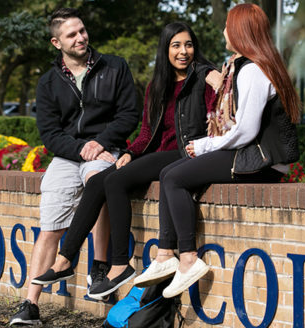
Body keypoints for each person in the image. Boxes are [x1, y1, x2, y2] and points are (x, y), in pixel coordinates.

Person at [31, 21, 217, 300]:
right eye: (175, 45)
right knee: (101, 182)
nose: (183, 51)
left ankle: (117, 264)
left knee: (114, 181)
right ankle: (66, 259)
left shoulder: (204, 77)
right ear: (165, 49)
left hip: (187, 151)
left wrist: (211, 73)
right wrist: (131, 152)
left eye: (188, 45)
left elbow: (218, 120)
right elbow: (146, 132)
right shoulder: (158, 86)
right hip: (159, 154)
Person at [133, 3, 302, 298]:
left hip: (261, 161)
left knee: (174, 178)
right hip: (254, 155)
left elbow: (246, 130)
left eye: (227, 25)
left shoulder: (253, 70)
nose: (223, 30)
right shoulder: (255, 65)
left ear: (239, 31)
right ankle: (164, 256)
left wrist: (205, 145)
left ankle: (187, 259)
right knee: (168, 171)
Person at [9, 8, 139, 326]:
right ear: (57, 42)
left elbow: (129, 114)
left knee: (102, 180)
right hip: (68, 156)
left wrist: (101, 143)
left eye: (82, 31)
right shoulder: (48, 82)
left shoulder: (115, 66)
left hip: (106, 150)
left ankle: (98, 270)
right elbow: (50, 133)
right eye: (72, 34)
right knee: (50, 224)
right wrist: (81, 147)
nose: (80, 37)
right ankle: (30, 304)